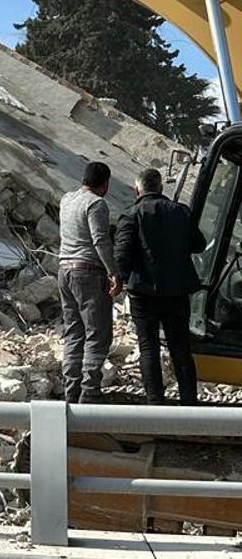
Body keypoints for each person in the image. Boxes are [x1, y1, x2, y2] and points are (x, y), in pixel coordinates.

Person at [114, 167, 206, 405]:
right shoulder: (181, 212)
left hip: (142, 293)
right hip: (177, 292)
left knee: (148, 348)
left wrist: (117, 281)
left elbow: (121, 255)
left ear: (137, 190)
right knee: (181, 349)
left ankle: (155, 405)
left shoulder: (131, 215)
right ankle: (190, 404)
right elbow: (199, 244)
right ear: (161, 188)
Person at [58, 161, 122, 403]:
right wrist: (114, 272)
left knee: (74, 331)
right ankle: (90, 392)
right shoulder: (97, 204)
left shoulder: (67, 200)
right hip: (88, 274)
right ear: (105, 184)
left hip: (64, 272)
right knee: (97, 333)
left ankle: (71, 390)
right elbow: (100, 241)